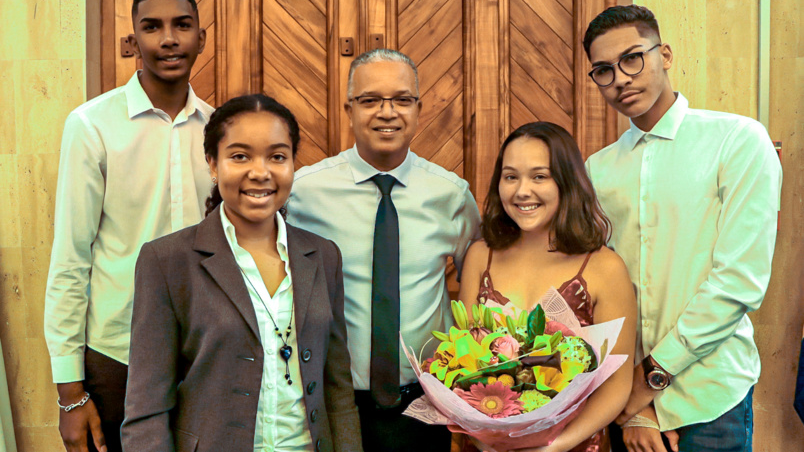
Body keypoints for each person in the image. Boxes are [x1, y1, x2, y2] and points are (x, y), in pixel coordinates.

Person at [583, 5, 783, 452]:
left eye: (633, 58)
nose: (620, 78)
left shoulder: (737, 141)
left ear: (665, 54)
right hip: (624, 402)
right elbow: (602, 292)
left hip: (710, 397)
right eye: (603, 70)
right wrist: (634, 405)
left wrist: (650, 381)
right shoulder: (597, 169)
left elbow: (738, 283)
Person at [121, 94, 362, 452]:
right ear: (213, 165)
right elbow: (147, 409)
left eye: (277, 157)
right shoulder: (167, 261)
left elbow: (338, 390)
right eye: (240, 156)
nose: (260, 172)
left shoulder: (323, 256)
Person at [44, 0, 212, 452]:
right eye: (151, 27)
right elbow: (71, 259)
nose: (169, 38)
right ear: (132, 40)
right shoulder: (92, 126)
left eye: (182, 25)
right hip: (118, 356)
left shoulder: (221, 131)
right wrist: (70, 394)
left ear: (201, 37)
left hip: (204, 351)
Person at [286, 48, 481, 451]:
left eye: (401, 100)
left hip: (427, 406)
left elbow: (479, 285)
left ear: (418, 108)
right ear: (350, 109)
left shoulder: (451, 195)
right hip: (334, 401)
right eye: (370, 100)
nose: (387, 112)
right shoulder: (304, 192)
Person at [458, 122, 637, 452]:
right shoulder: (479, 257)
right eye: (511, 177)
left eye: (539, 176)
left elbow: (616, 387)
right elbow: (461, 366)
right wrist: (483, 438)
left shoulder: (604, 267)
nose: (522, 190)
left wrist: (553, 447)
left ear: (567, 182)